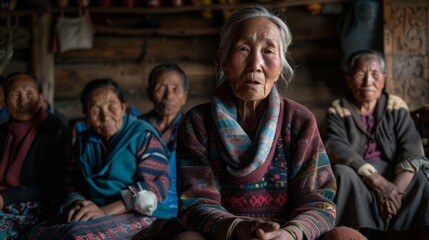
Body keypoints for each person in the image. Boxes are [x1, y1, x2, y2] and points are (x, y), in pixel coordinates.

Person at [173, 5, 365, 240]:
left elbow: (318, 202)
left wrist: (289, 234)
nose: (255, 63)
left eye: (268, 51)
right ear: (222, 59)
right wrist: (239, 229)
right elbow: (195, 204)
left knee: (346, 237)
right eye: (243, 49)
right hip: (226, 235)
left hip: (287, 235)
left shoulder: (299, 121)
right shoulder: (198, 123)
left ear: (281, 64)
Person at [29, 78, 170, 239]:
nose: (105, 116)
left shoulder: (142, 136)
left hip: (141, 212)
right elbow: (73, 182)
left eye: (111, 106)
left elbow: (155, 187)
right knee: (38, 233)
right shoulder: (83, 142)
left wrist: (104, 211)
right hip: (96, 208)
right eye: (95, 110)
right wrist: (79, 205)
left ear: (123, 108)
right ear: (86, 116)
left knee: (78, 235)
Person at [323, 50, 429, 239]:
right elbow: (335, 146)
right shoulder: (338, 109)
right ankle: (357, 234)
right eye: (360, 73)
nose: (367, 81)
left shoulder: (395, 106)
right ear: (349, 79)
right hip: (360, 178)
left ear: (384, 79)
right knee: (341, 173)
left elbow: (411, 146)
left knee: (421, 178)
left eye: (374, 74)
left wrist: (394, 190)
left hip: (395, 176)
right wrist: (377, 181)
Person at [0, 72, 71, 239]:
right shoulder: (3, 131)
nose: (23, 100)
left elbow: (50, 185)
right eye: (15, 94)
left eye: (29, 93)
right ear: (5, 101)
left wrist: (4, 198)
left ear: (41, 98)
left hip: (36, 204)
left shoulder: (55, 129)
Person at [133, 63, 189, 239]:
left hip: (179, 211)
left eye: (175, 89)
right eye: (160, 88)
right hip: (139, 205)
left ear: (185, 96)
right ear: (150, 93)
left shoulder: (193, 128)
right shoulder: (136, 127)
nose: (168, 96)